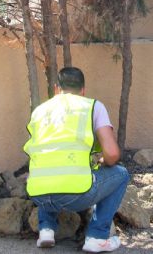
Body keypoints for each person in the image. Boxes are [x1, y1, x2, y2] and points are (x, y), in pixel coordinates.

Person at [24, 67, 129, 252]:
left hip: (38, 195)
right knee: (120, 174)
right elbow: (112, 155)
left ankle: (46, 230)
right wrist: (102, 162)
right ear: (83, 90)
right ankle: (97, 237)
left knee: (51, 164)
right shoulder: (93, 106)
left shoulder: (39, 111)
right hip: (75, 196)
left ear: (56, 89)